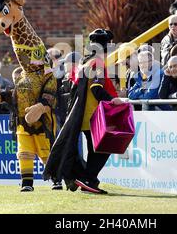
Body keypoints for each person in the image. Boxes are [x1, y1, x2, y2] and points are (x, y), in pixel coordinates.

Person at [43, 28, 123, 194]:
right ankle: (88, 179)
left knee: (96, 148)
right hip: (93, 115)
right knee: (103, 148)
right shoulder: (97, 63)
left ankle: (88, 180)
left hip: (82, 115)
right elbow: (96, 88)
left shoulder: (83, 63)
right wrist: (113, 99)